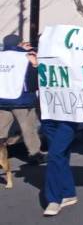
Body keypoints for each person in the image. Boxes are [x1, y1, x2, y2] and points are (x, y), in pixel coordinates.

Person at [0, 36, 46, 165]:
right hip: (21, 100)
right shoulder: (26, 57)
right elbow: (33, 80)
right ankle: (35, 154)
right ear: (20, 43)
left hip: (2, 99)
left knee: (1, 129)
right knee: (28, 128)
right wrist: (35, 64)